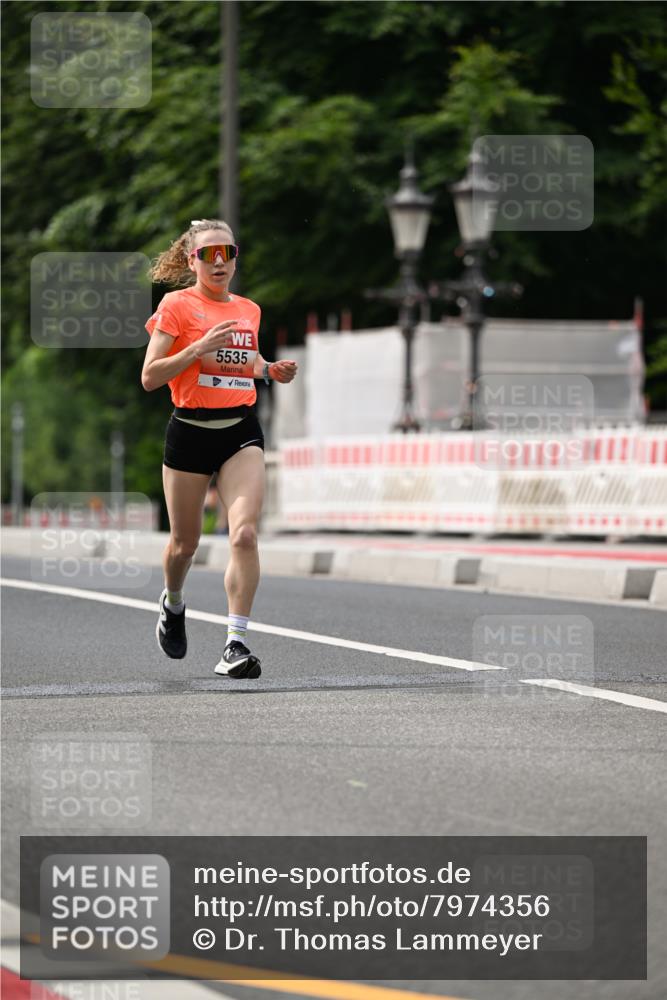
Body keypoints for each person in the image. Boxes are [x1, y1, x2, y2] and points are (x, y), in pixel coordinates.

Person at [142, 219, 298, 678]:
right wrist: (197, 347)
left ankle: (235, 644)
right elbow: (151, 376)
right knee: (184, 543)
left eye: (227, 253)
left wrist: (270, 370)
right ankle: (172, 603)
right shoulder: (176, 305)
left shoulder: (249, 310)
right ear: (192, 260)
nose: (219, 262)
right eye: (208, 254)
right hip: (190, 430)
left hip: (239, 432)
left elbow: (241, 363)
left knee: (244, 534)